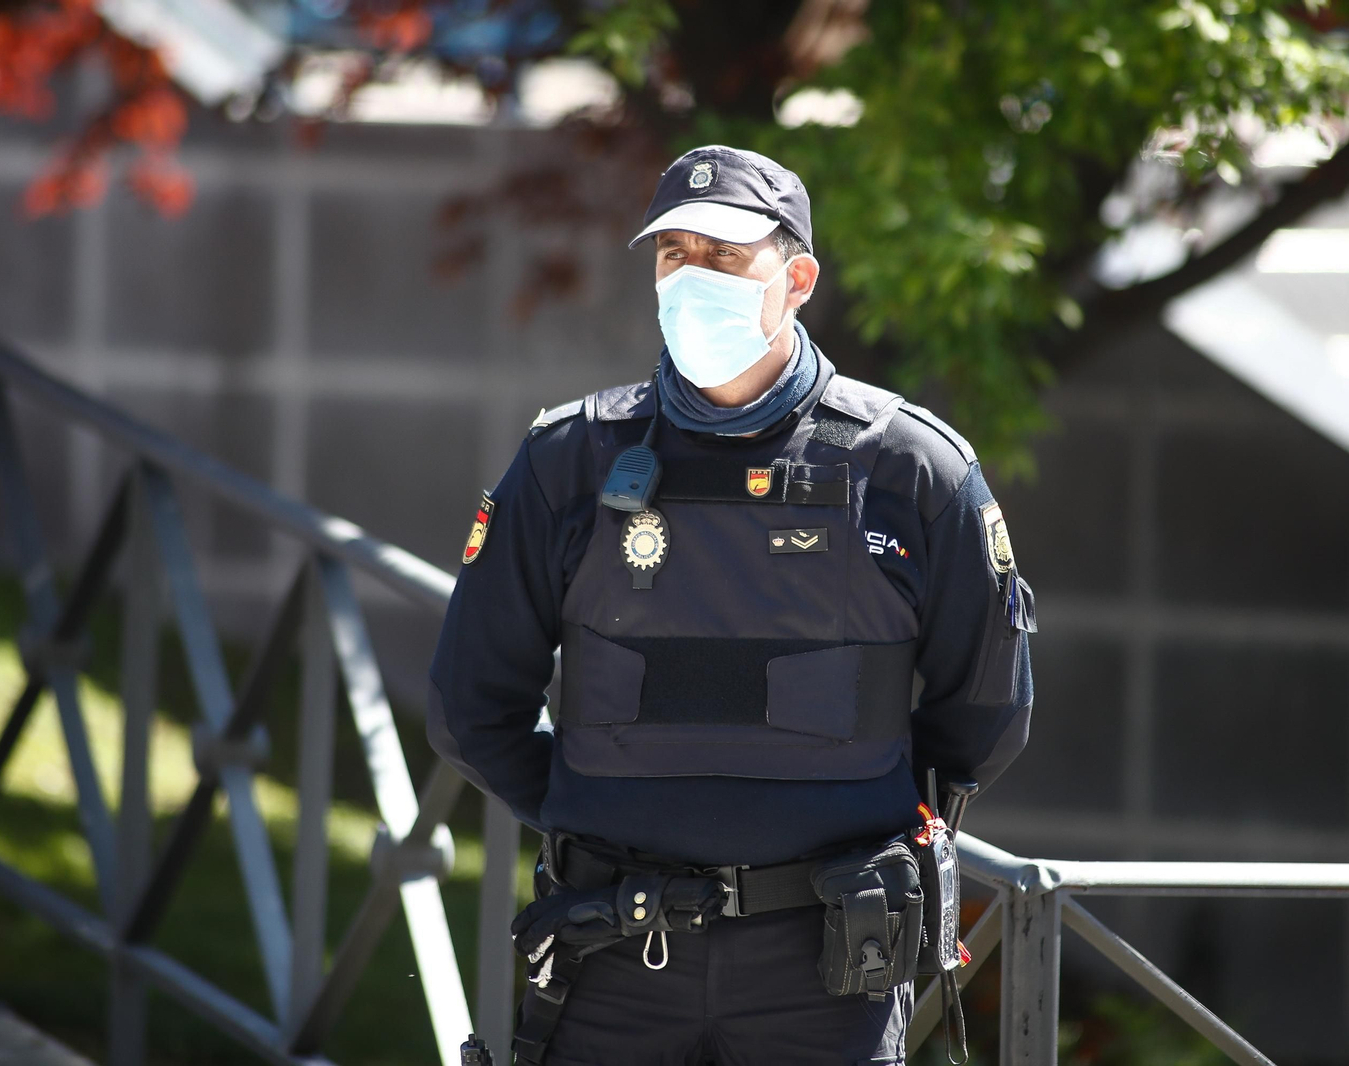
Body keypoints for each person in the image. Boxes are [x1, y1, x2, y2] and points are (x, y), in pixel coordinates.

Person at [427, 145, 1035, 1066]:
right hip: (610, 954)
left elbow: (986, 712)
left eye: (721, 256)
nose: (688, 279)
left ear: (796, 278)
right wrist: (591, 810)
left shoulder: (912, 470)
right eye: (673, 255)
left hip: (829, 969)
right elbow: (471, 707)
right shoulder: (570, 461)